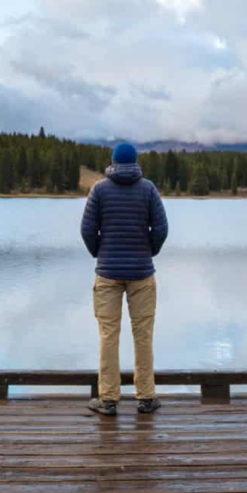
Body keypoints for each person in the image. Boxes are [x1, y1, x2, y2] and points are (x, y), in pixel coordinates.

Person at [80, 141, 169, 415]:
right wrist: (148, 252)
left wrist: (101, 253)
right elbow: (162, 228)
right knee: (143, 336)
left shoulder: (99, 189)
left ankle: (108, 400)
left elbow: (87, 229)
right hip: (142, 274)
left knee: (109, 335)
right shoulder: (148, 189)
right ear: (136, 161)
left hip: (107, 274)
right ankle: (146, 397)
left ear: (113, 161)